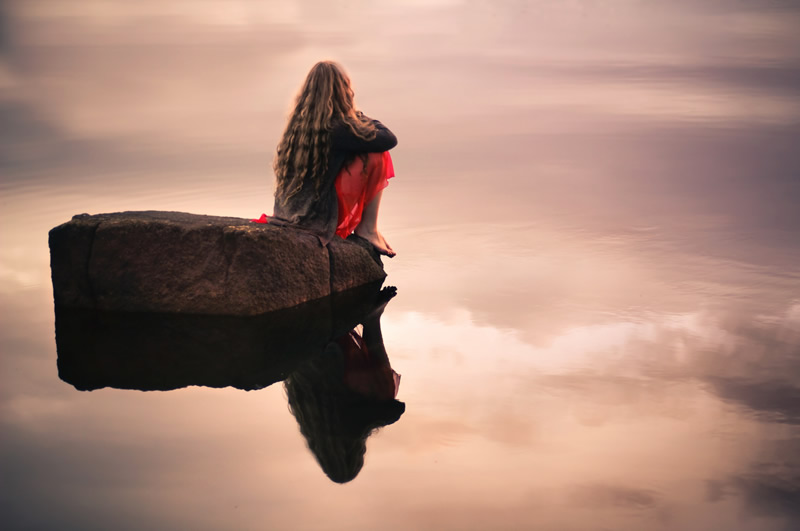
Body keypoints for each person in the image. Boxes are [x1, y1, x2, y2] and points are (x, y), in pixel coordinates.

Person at [270, 61, 398, 257]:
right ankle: (368, 229)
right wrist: (356, 114)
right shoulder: (339, 129)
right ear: (343, 91)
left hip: (290, 212)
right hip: (317, 217)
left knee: (362, 152)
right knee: (376, 154)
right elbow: (388, 138)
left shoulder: (298, 126)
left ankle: (369, 229)